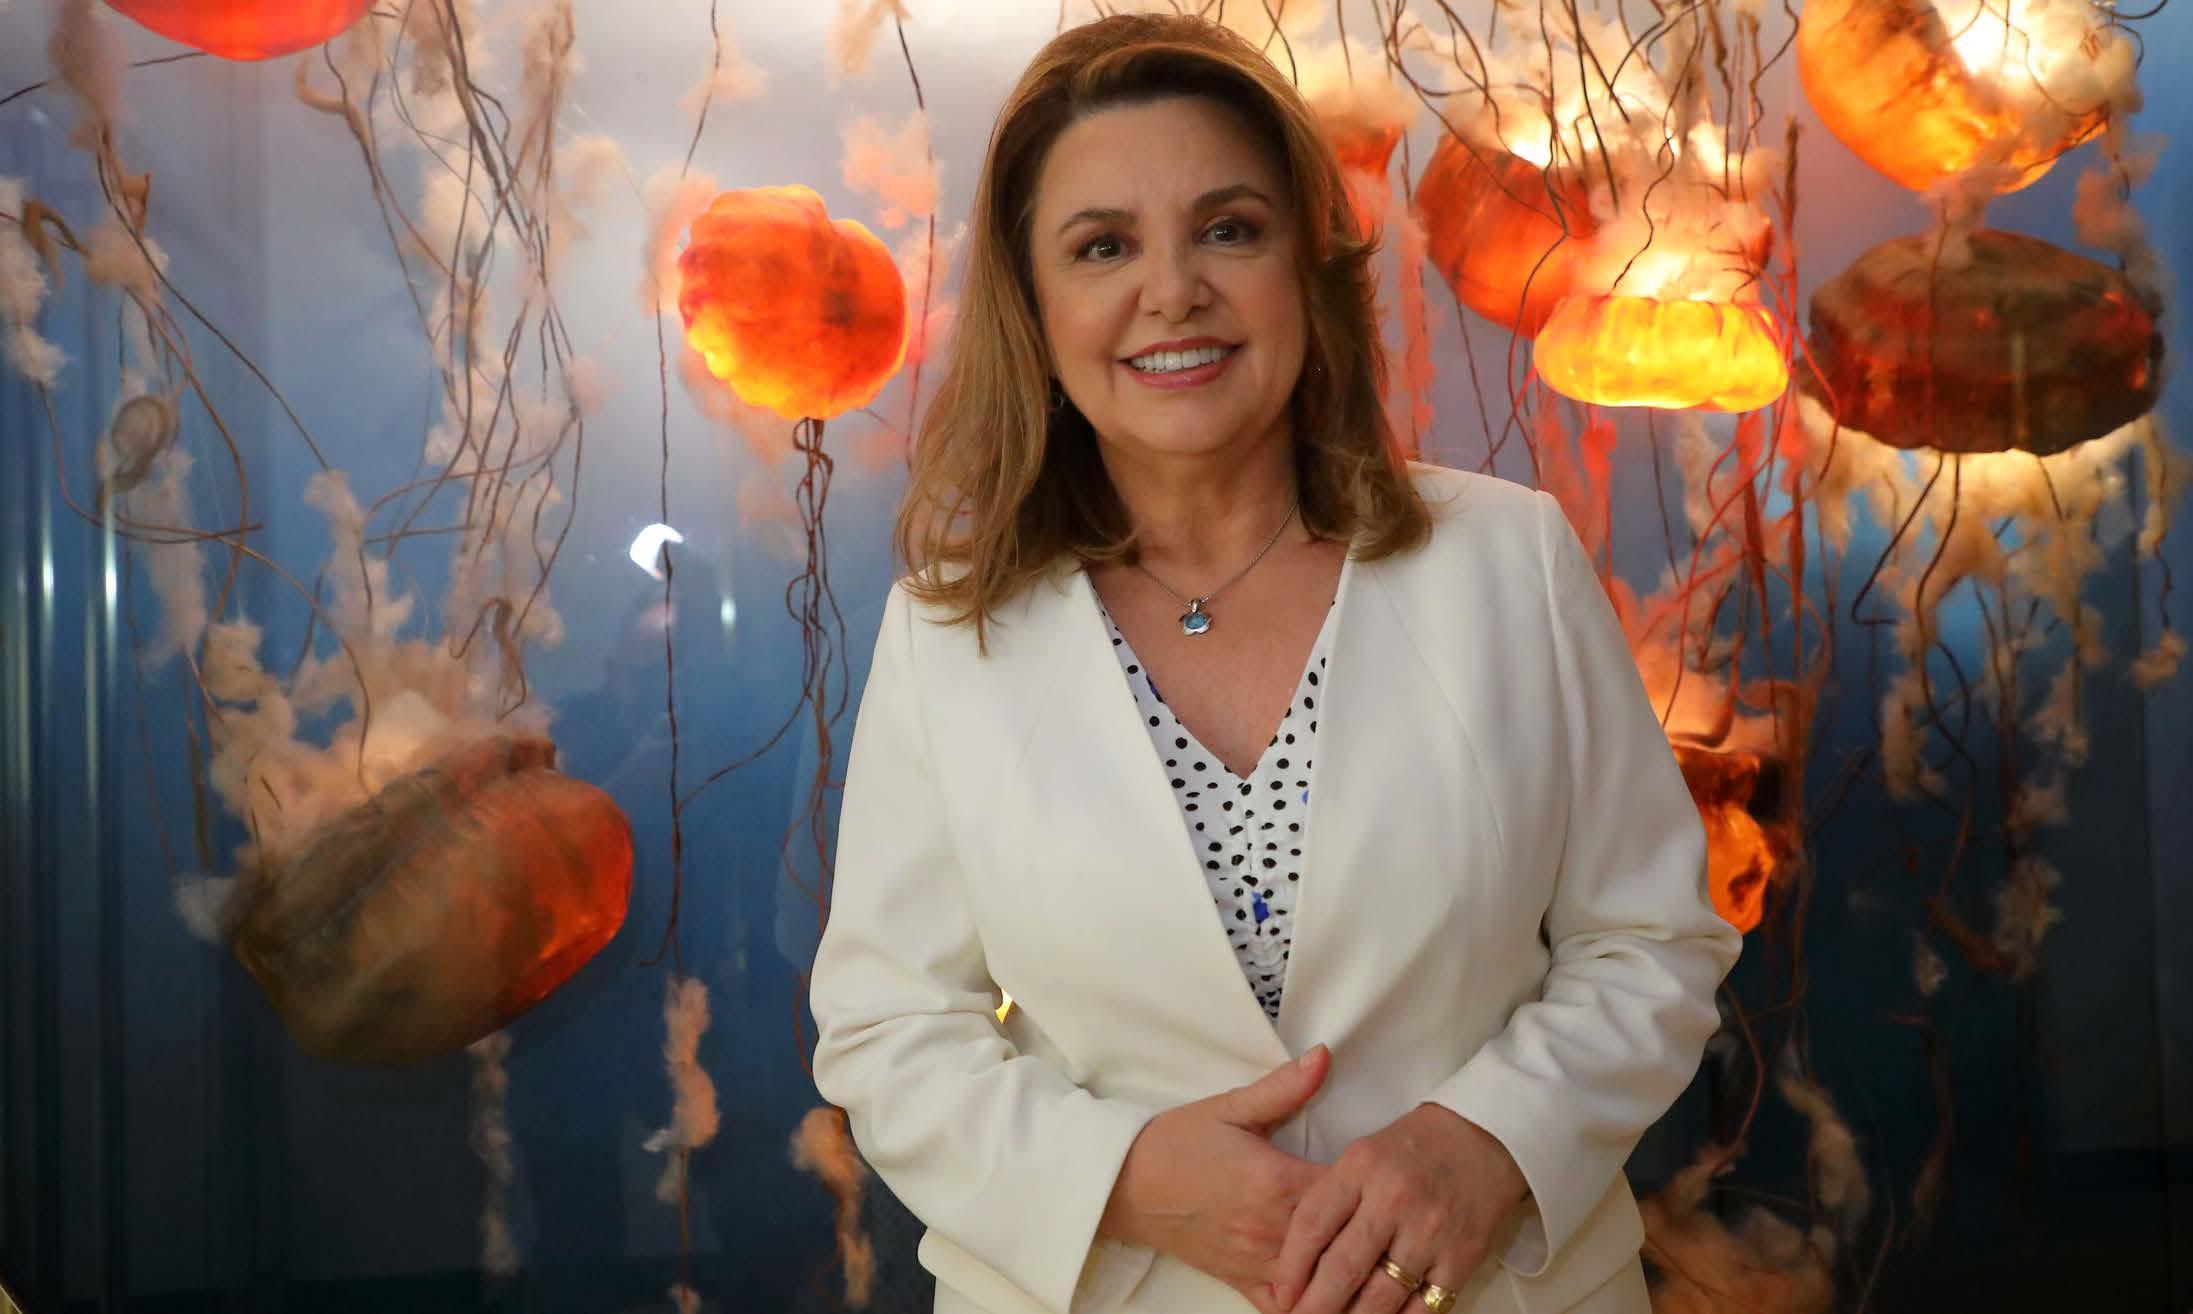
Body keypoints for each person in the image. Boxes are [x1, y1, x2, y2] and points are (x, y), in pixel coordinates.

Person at [808, 14, 1742, 1314]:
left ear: (1306, 265)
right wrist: (1124, 1179)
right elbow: (889, 1030)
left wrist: (1486, 1145)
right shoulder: (947, 630)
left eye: (1228, 229)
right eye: (1102, 246)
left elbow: (1650, 940)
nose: (1172, 290)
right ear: (1035, 307)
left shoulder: (1509, 559)